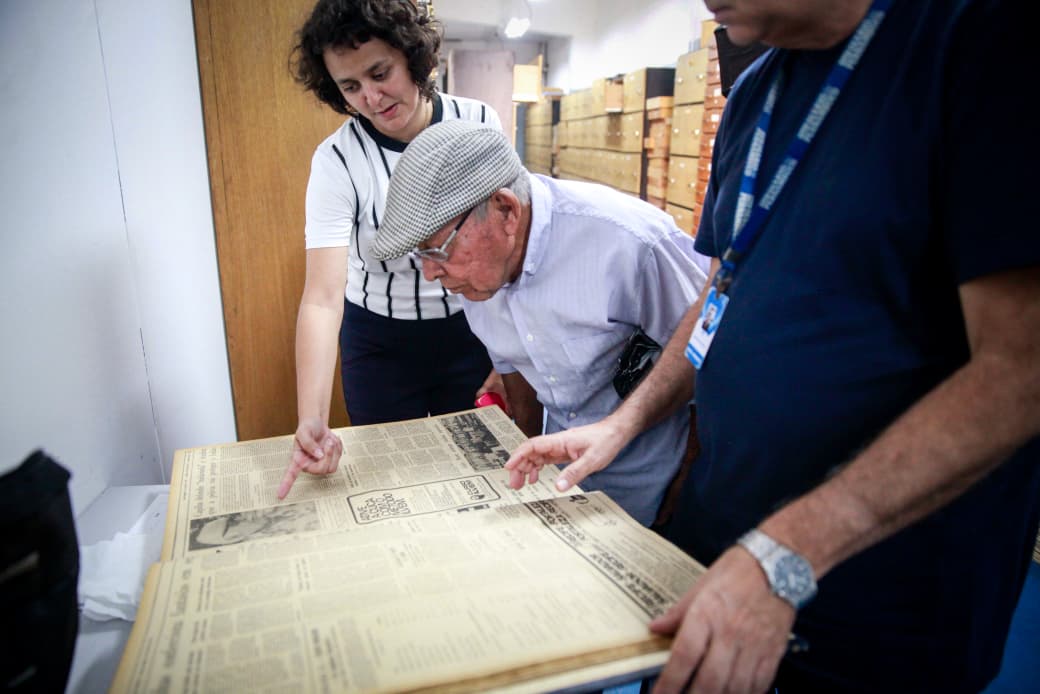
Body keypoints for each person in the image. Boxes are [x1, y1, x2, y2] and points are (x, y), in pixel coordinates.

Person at [503, 1, 1040, 692]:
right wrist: (621, 425)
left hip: (880, 587)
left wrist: (788, 551)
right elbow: (722, 290)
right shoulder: (756, 91)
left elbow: (1020, 369)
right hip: (721, 542)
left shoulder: (979, 43)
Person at [368, 120, 711, 527]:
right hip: (561, 480)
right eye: (419, 255)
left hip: (653, 491)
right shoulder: (476, 274)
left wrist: (683, 495)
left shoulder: (630, 244)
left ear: (506, 210)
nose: (430, 273)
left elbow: (708, 363)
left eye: (437, 250)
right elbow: (515, 367)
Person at [277, 0, 504, 500]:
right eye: (350, 87)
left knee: (474, 478)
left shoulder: (478, 121)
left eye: (380, 73)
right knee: (391, 481)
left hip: (469, 332)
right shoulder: (337, 159)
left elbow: (507, 250)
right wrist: (311, 417)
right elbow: (321, 297)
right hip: (379, 342)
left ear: (413, 57)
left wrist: (508, 355)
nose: (372, 98)